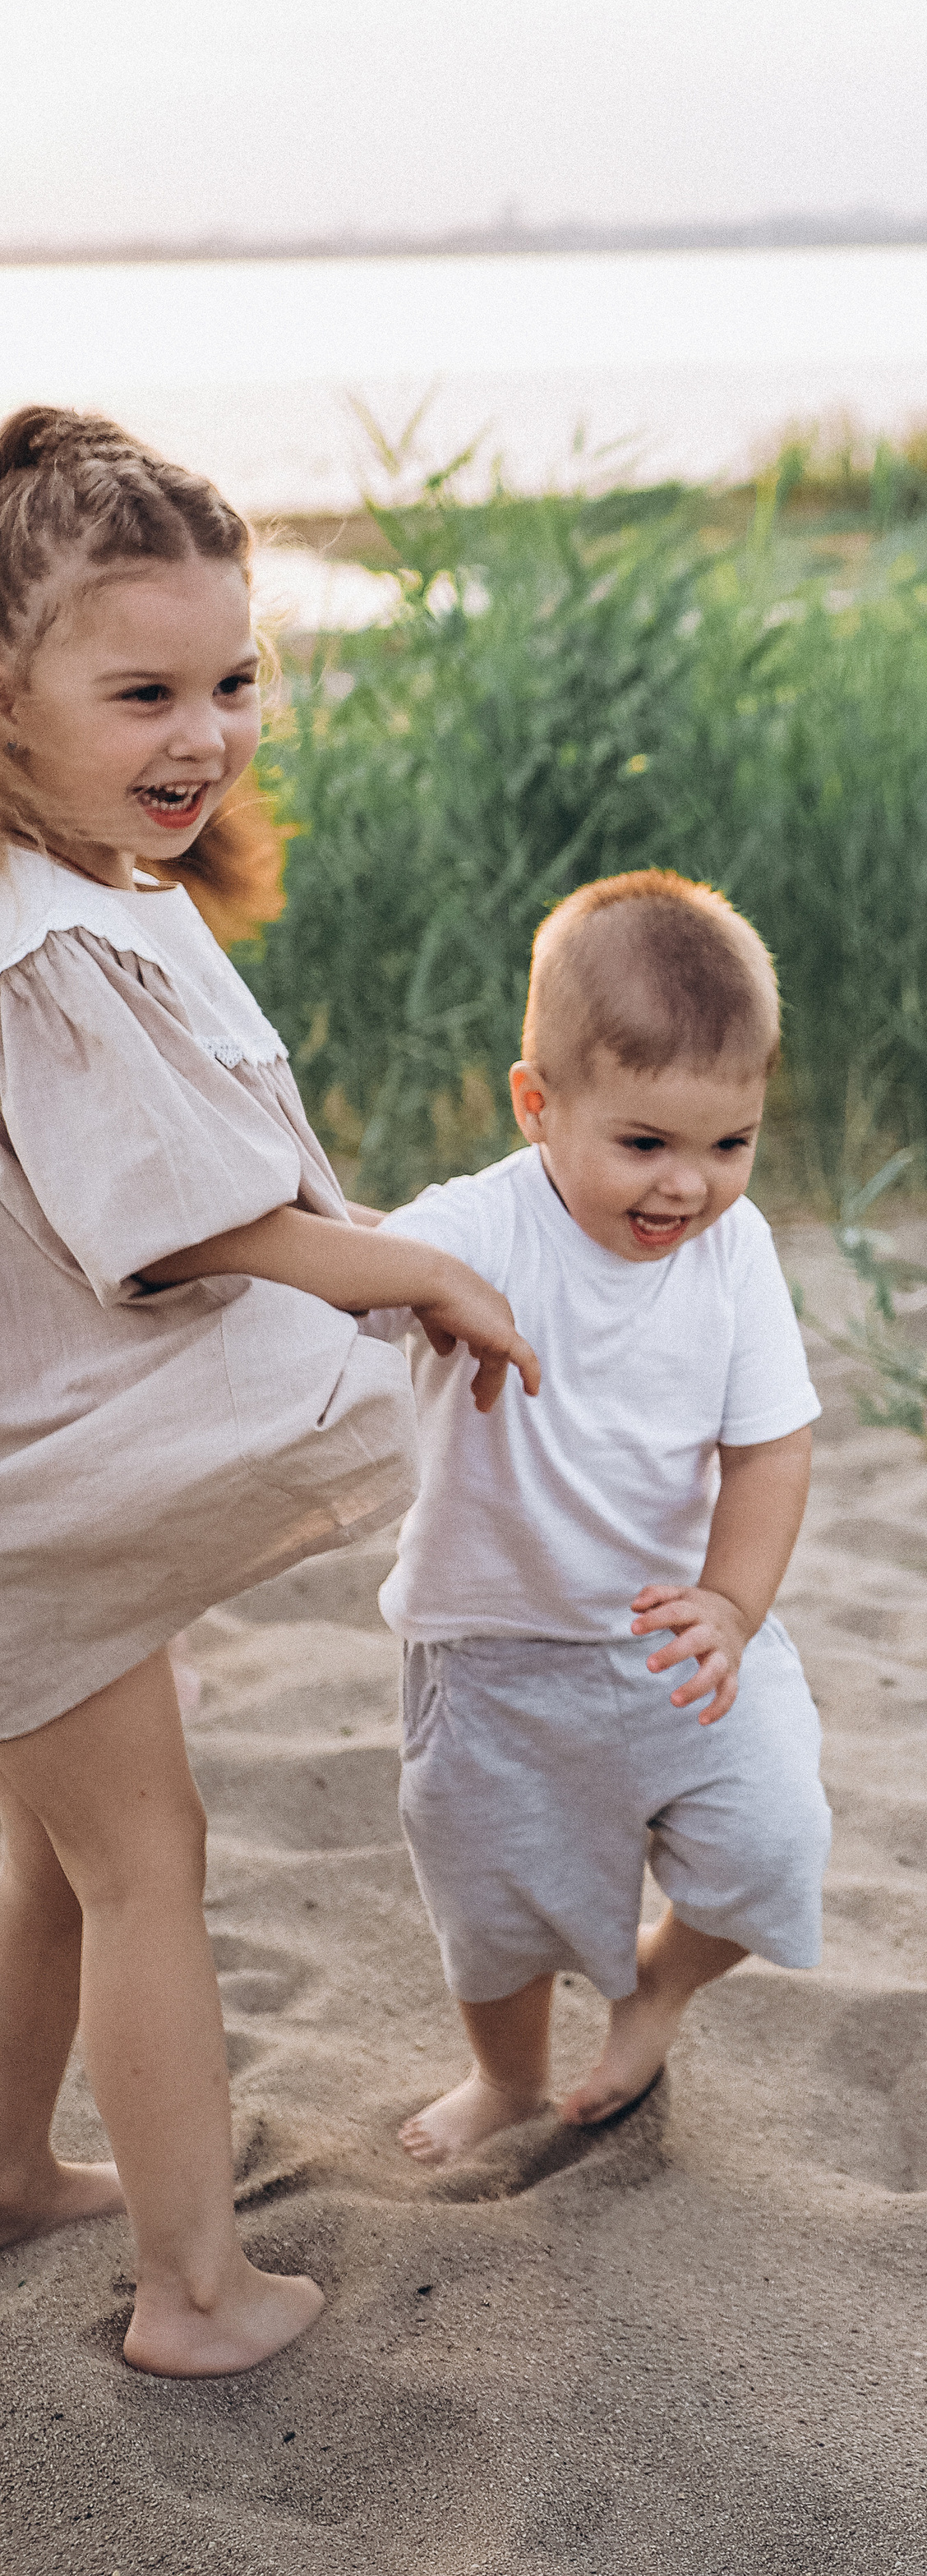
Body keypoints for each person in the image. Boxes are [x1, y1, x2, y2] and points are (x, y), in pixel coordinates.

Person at [0, 406, 541, 2376]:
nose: (200, 735)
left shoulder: (73, 897)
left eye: (232, 681)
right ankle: (194, 2289)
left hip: (35, 1470)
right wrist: (395, 1262)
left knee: (54, 1850)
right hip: (33, 1489)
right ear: (7, 694)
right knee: (145, 1862)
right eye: (139, 690)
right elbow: (188, 1217)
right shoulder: (45, 943)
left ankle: (8, 2169)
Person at [375, 869, 828, 2168]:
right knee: (500, 1911)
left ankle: (661, 1981)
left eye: (729, 1144)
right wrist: (393, 1274)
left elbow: (771, 1447)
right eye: (646, 1144)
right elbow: (348, 1286)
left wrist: (734, 1604)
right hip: (495, 1656)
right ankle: (505, 2080)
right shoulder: (474, 1227)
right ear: (539, 1103)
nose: (689, 1185)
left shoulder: (735, 1253)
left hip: (687, 1636)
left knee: (772, 1843)